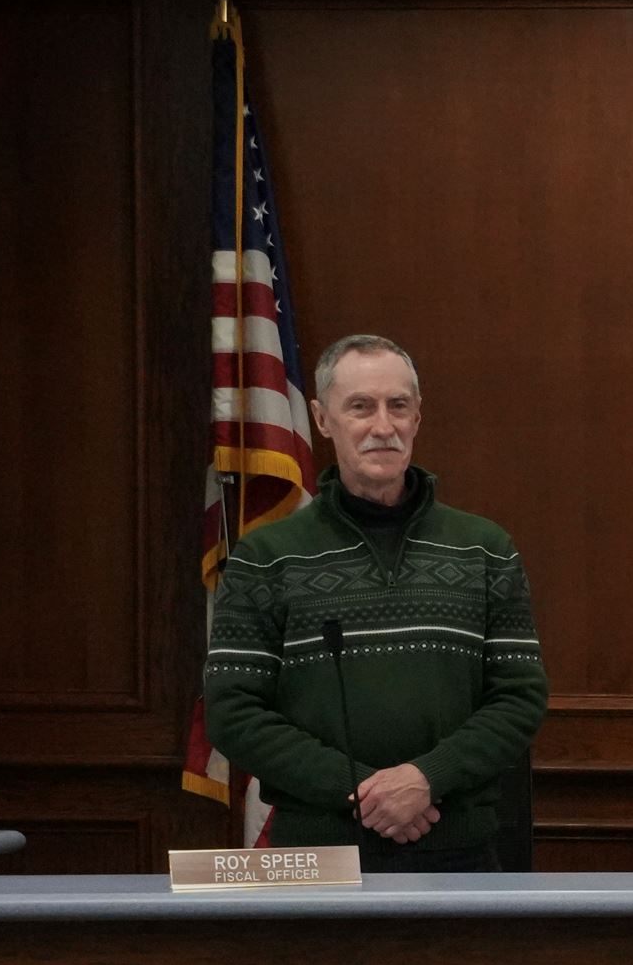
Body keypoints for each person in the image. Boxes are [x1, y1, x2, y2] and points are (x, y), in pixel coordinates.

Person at [203, 333, 546, 872]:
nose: (382, 427)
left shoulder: (486, 550)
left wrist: (427, 778)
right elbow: (233, 712)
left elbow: (520, 698)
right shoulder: (267, 557)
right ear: (321, 419)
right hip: (318, 859)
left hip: (461, 859)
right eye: (360, 407)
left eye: (398, 406)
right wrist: (363, 791)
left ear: (417, 418)